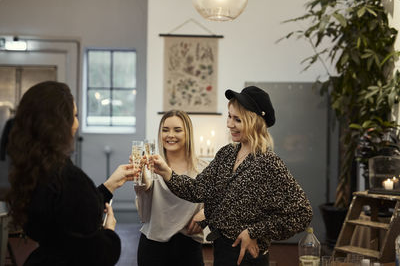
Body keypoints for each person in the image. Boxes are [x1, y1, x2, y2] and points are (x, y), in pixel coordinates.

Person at [151, 86, 313, 266]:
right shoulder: (227, 153)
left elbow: (302, 213)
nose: (229, 124)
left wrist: (254, 232)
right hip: (221, 250)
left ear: (254, 122)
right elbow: (198, 190)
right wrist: (166, 172)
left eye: (237, 119)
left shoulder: (269, 163)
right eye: (229, 116)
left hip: (248, 256)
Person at [5, 81, 139, 266]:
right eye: (74, 116)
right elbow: (96, 254)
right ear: (59, 123)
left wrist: (109, 186)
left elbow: (68, 214)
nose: (77, 123)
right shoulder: (68, 178)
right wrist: (109, 232)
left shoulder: (32, 171)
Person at [134, 110, 208, 266]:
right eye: (165, 130)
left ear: (188, 133)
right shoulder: (152, 165)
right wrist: (140, 175)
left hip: (189, 246)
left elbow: (220, 201)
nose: (170, 135)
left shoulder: (203, 168)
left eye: (177, 130)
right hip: (153, 246)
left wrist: (206, 212)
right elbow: (143, 188)